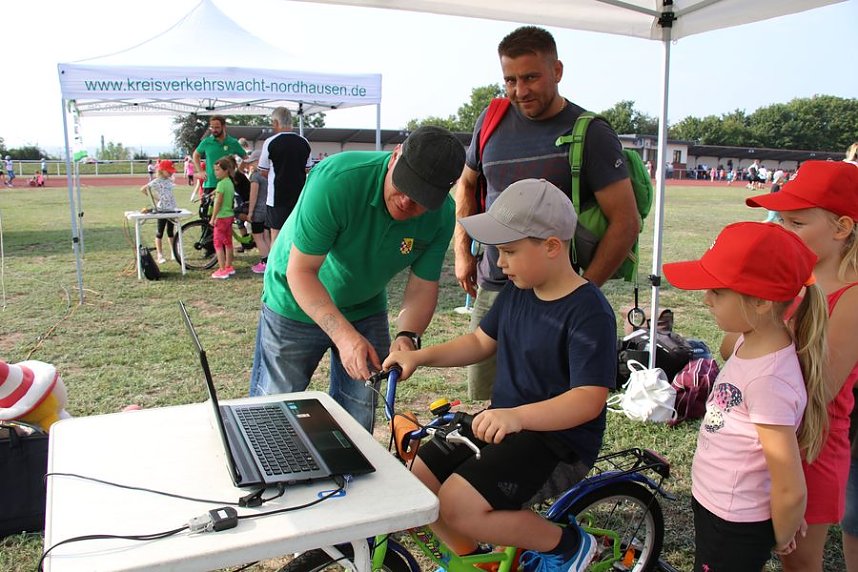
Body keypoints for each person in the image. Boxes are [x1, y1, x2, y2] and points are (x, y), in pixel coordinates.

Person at [382, 179, 616, 571]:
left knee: (458, 505)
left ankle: (569, 546)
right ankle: (476, 562)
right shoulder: (518, 291)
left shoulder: (588, 311)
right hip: (503, 424)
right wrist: (419, 357)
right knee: (416, 480)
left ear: (552, 246)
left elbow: (589, 399)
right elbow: (479, 342)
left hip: (559, 441)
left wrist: (517, 416)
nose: (499, 263)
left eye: (509, 251)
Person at [454, 25, 638, 400]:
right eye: (510, 80)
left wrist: (583, 292)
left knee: (547, 400)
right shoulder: (490, 121)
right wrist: (462, 251)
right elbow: (467, 184)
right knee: (490, 399)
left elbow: (625, 221)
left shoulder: (590, 133)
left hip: (552, 296)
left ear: (557, 71)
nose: (520, 91)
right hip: (495, 286)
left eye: (531, 77)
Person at [248, 126, 465, 431]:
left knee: (360, 410)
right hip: (294, 299)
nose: (406, 201)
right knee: (276, 404)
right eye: (403, 185)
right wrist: (344, 336)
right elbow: (301, 271)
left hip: (364, 304)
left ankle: (348, 463)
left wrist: (407, 336)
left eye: (420, 198)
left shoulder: (440, 217)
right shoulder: (338, 180)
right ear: (395, 156)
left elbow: (422, 285)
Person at [663, 221, 829, 572]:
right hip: (716, 504)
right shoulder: (748, 338)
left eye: (717, 291)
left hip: (735, 522)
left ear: (762, 301)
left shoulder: (770, 381)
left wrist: (781, 535)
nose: (706, 299)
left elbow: (790, 488)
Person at [745, 161, 858, 572]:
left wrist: (767, 327)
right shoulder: (792, 279)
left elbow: (820, 389)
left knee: (799, 562)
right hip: (769, 435)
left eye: (796, 223)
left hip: (812, 448)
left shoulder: (851, 296)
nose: (782, 230)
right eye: (781, 220)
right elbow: (731, 347)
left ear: (842, 228)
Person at [258, 107, 311, 244]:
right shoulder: (304, 142)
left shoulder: (270, 142)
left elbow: (263, 170)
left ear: (275, 122)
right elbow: (308, 169)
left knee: (276, 237)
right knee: (297, 235)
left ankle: (276, 259)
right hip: (299, 196)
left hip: (277, 197)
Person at [193, 115, 247, 197]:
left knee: (226, 205)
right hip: (210, 183)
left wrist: (238, 172)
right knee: (209, 205)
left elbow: (246, 158)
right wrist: (200, 171)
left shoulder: (233, 142)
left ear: (224, 127)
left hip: (228, 184)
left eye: (217, 127)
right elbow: (196, 155)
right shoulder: (206, 142)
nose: (214, 130)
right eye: (212, 127)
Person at [140, 159, 179, 264]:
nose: (171, 173)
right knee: (159, 232)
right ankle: (160, 254)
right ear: (162, 170)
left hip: (171, 209)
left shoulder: (169, 181)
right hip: (162, 209)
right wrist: (155, 198)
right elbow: (143, 189)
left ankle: (174, 252)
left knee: (171, 231)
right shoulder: (156, 181)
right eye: (169, 171)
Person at [208, 157, 237, 279]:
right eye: (215, 170)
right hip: (229, 216)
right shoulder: (229, 182)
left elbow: (218, 203)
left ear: (225, 170)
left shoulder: (221, 184)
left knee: (218, 244)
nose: (216, 172)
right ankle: (228, 266)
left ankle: (222, 269)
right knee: (228, 242)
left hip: (221, 217)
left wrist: (213, 217)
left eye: (218, 170)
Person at [244, 150, 270, 274]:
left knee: (258, 237)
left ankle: (265, 261)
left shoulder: (255, 176)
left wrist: (250, 212)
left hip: (258, 211)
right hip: (268, 209)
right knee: (266, 236)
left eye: (252, 162)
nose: (250, 165)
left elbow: (253, 196)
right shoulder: (269, 174)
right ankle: (271, 261)